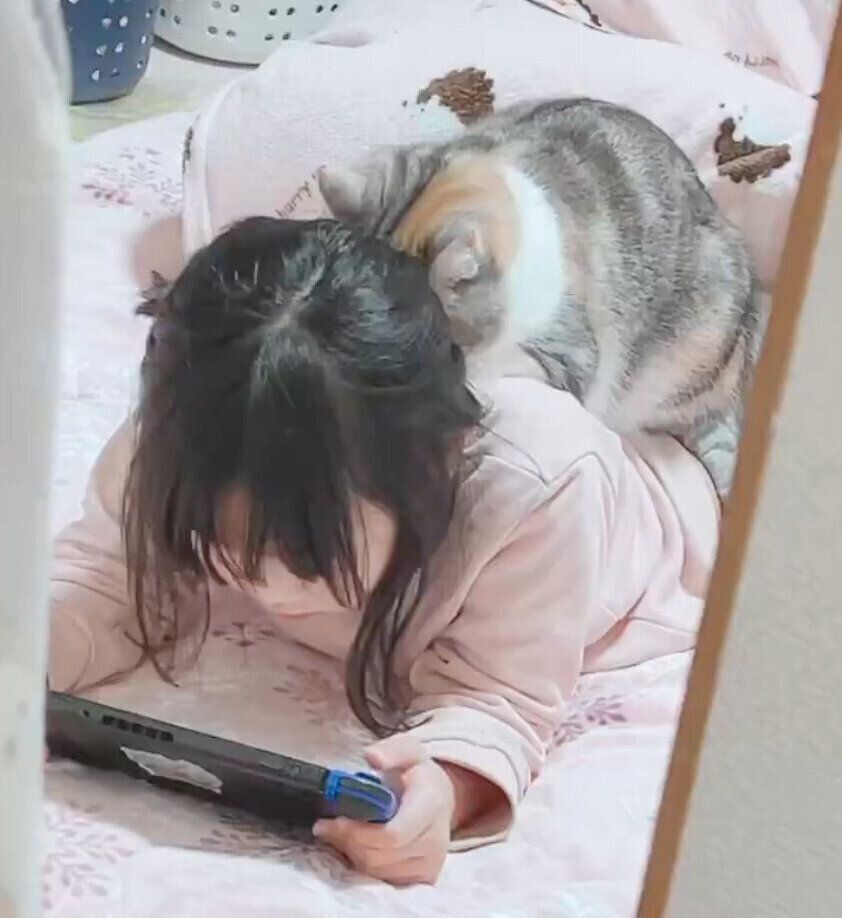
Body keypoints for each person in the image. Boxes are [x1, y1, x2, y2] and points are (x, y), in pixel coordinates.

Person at [48, 217, 719, 885]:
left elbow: (496, 699)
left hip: (673, 549)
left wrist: (444, 791)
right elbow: (105, 578)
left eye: (305, 552)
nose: (263, 583)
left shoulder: (533, 486)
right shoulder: (185, 439)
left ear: (432, 468)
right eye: (218, 538)